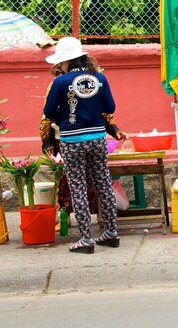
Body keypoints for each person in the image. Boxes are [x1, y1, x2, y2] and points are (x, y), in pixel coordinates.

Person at [43, 37, 125, 254]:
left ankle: (86, 239)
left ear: (65, 61)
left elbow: (49, 112)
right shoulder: (99, 78)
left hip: (72, 141)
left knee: (78, 187)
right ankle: (111, 233)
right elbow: (110, 107)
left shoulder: (61, 82)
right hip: (97, 138)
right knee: (103, 184)